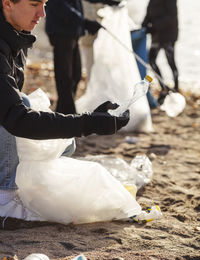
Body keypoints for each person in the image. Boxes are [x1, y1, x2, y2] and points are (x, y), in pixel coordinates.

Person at [0, 0, 129, 206]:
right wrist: (88, 124)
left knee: (65, 145)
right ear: (8, 4)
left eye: (44, 4)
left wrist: (88, 120)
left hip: (71, 32)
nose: (42, 13)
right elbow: (16, 119)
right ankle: (5, 197)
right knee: (17, 108)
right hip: (63, 33)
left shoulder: (17, 35)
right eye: (34, 5)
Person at [45, 0, 121, 114]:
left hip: (72, 33)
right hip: (61, 32)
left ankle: (62, 113)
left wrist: (107, 1)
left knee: (76, 75)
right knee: (65, 77)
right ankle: (68, 116)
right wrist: (84, 22)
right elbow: (60, 6)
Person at [142, 0, 179, 103]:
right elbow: (149, 12)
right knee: (151, 61)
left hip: (169, 36)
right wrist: (144, 25)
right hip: (156, 36)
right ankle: (164, 88)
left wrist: (155, 26)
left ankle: (176, 90)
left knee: (171, 63)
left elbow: (171, 16)